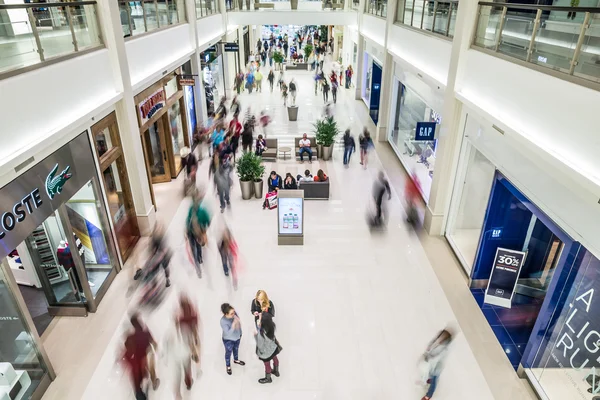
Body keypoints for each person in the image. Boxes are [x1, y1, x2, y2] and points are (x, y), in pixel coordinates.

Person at [121, 314, 159, 400]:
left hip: (139, 357)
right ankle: (154, 382)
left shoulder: (130, 336)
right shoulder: (145, 332)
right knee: (151, 368)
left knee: (141, 373)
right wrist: (155, 350)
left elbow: (127, 347)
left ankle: (145, 384)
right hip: (147, 353)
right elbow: (153, 343)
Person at [169, 296, 200, 396]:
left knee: (179, 369)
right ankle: (188, 382)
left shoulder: (180, 316)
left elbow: (176, 324)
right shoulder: (191, 312)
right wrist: (195, 337)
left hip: (182, 337)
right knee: (187, 366)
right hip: (189, 334)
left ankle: (181, 388)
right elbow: (195, 326)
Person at [421, 329, 453, 400]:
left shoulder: (445, 348)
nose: (440, 338)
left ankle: (428, 396)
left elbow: (438, 356)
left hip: (437, 366)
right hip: (432, 363)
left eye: (443, 337)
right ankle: (429, 379)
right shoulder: (439, 342)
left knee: (434, 379)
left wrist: (430, 356)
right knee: (430, 373)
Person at [186, 190, 211, 278]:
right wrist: (204, 229)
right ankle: (200, 259)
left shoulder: (191, 210)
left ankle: (198, 269)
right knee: (198, 246)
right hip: (198, 233)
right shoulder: (202, 211)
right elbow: (208, 221)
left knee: (194, 250)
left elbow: (187, 221)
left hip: (191, 233)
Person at [254, 312, 281, 384]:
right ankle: (276, 371)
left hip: (266, 352)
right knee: (275, 358)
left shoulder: (261, 332)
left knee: (267, 364)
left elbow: (260, 344)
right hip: (273, 348)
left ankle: (268, 378)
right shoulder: (271, 325)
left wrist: (256, 335)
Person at [220, 303, 245, 375]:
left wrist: (240, 333)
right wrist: (233, 325)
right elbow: (228, 333)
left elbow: (238, 323)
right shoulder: (223, 321)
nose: (234, 314)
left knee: (236, 349)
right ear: (226, 314)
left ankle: (236, 360)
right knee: (228, 352)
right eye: (231, 314)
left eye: (234, 312)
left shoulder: (234, 314)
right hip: (228, 340)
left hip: (237, 337)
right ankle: (228, 366)